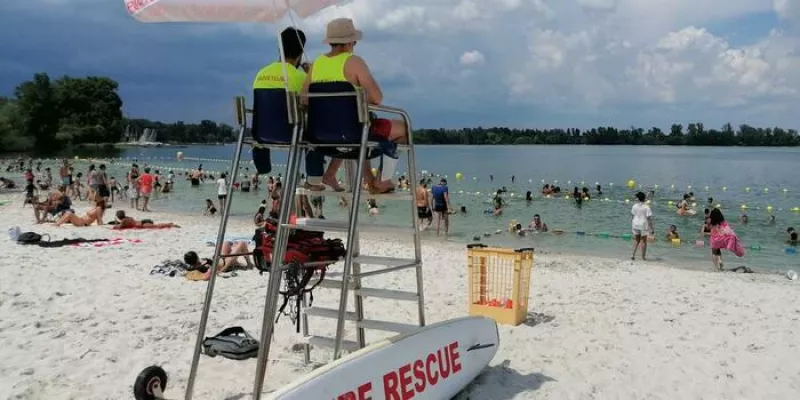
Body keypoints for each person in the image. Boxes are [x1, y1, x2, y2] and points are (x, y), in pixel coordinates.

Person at [302, 18, 409, 193]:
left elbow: (304, 99)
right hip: (353, 134)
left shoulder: (317, 64)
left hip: (319, 136)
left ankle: (350, 176)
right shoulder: (354, 62)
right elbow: (377, 98)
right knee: (404, 128)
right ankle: (382, 180)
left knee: (357, 124)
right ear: (351, 41)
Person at [184, 241, 254, 279]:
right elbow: (218, 271)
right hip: (226, 263)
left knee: (226, 243)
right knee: (242, 244)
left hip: (221, 259)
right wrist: (224, 268)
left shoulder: (195, 265)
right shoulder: (202, 266)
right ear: (196, 258)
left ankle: (236, 255)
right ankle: (249, 264)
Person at [631, 191, 653, 261]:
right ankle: (643, 257)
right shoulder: (646, 207)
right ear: (644, 198)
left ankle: (633, 255)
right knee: (644, 241)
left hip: (635, 223)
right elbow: (649, 219)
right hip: (643, 224)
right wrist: (651, 228)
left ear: (638, 198)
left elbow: (633, 215)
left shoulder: (634, 206)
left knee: (636, 240)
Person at [112, 210, 179, 229]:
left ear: (118, 216)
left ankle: (170, 225)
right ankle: (169, 224)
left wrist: (115, 223)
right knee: (156, 225)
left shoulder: (124, 221)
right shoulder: (128, 218)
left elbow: (118, 227)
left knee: (157, 226)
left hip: (142, 225)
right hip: (142, 222)